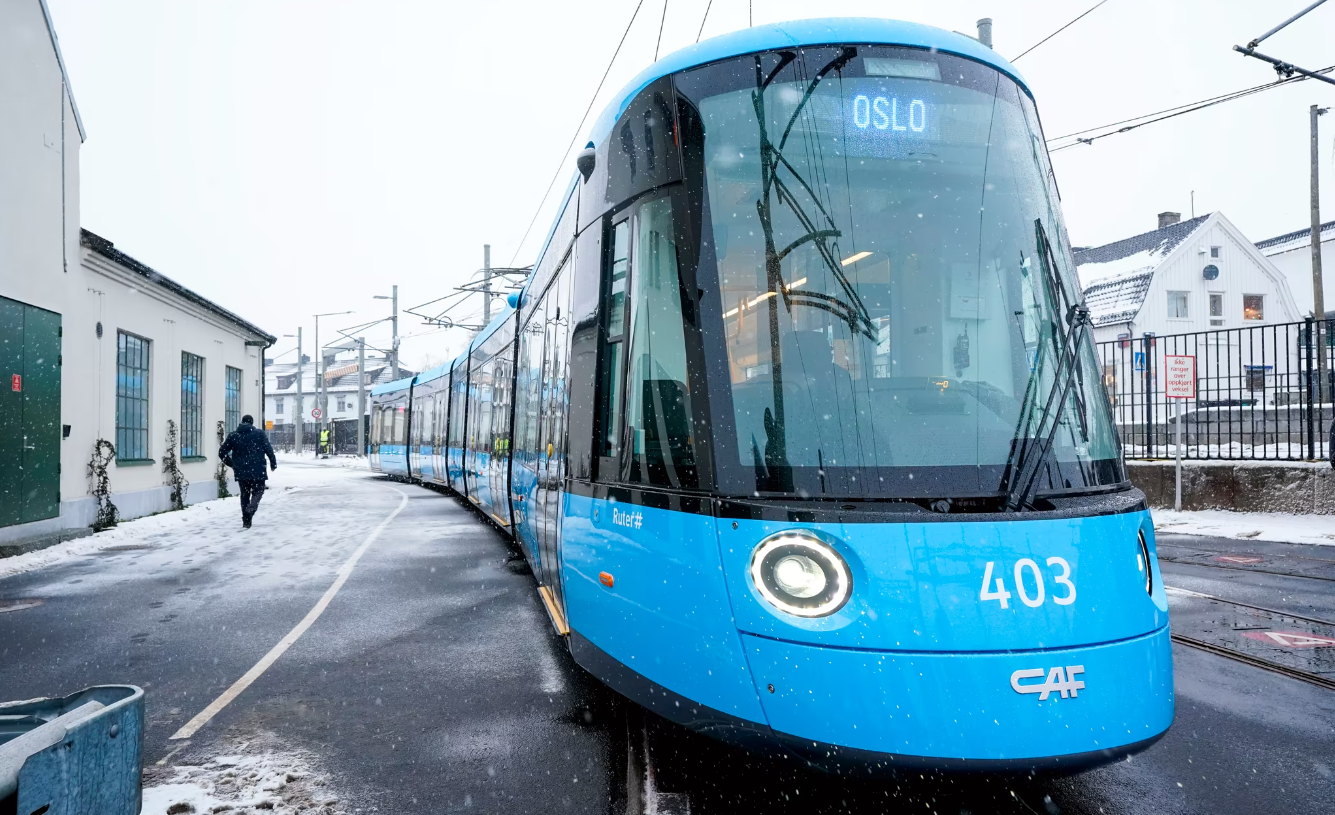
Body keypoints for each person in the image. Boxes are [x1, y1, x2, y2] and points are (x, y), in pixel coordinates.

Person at [219, 414, 277, 528]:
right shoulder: (259, 434)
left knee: (244, 495)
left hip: (241, 472)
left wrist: (232, 464)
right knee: (258, 491)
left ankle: (246, 521)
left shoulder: (233, 436)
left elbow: (221, 452)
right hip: (258, 470)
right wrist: (273, 464)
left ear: (242, 422)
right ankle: (250, 509)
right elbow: (268, 449)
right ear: (252, 423)